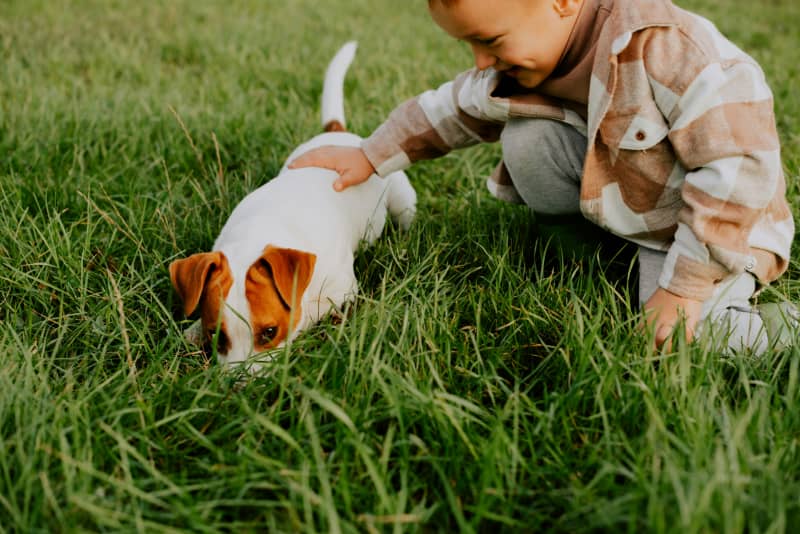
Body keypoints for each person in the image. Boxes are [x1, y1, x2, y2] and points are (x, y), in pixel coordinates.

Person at [289, 0, 797, 352]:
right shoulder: (528, 56)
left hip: (717, 226)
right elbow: (450, 107)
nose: (480, 60)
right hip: (634, 208)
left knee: (684, 339)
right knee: (527, 136)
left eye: (489, 40)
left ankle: (779, 330)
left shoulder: (668, 50)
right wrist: (371, 155)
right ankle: (587, 258)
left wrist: (684, 288)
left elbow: (740, 170)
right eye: (469, 43)